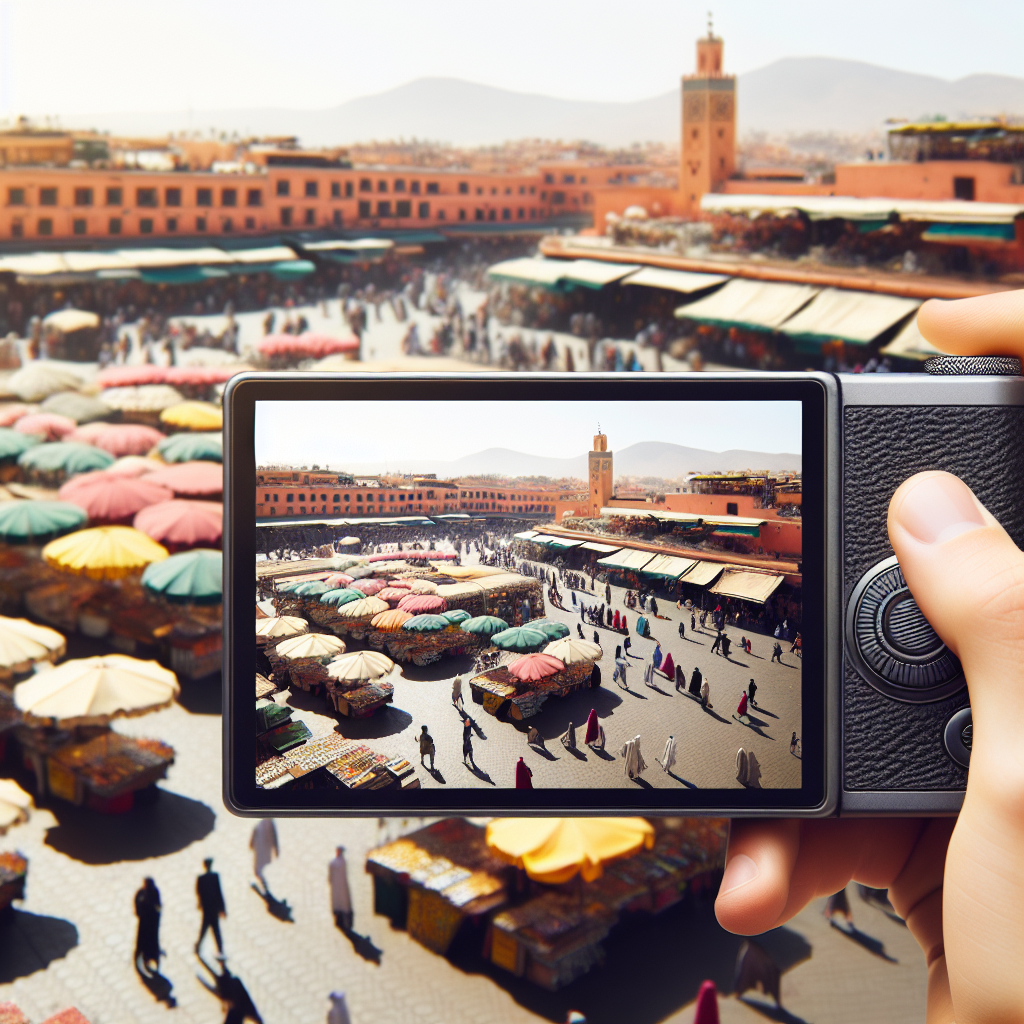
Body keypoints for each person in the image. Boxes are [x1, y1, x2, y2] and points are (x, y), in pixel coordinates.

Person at [196, 858, 226, 955]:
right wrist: (222, 908)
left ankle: (198, 946)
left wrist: (200, 903)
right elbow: (219, 893)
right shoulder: (215, 876)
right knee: (216, 930)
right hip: (214, 908)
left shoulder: (200, 878)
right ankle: (220, 949)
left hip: (207, 908)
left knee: (204, 929)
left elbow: (198, 892)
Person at [134, 877, 162, 974]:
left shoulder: (144, 892)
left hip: (148, 919)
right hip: (149, 919)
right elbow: (158, 906)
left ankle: (147, 955)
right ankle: (149, 955)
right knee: (150, 938)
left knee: (147, 938)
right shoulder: (151, 892)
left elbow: (137, 902)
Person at [250, 819, 278, 894]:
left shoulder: (268, 821)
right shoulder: (262, 822)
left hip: (263, 850)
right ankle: (265, 889)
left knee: (258, 871)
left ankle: (265, 890)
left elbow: (274, 835)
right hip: (260, 849)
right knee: (258, 871)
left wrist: (276, 848)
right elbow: (254, 832)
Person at [329, 846, 352, 932]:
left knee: (339, 899)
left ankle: (340, 916)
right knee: (342, 899)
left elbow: (331, 874)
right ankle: (343, 916)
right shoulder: (342, 862)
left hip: (337, 884)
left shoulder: (335, 863)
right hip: (340, 884)